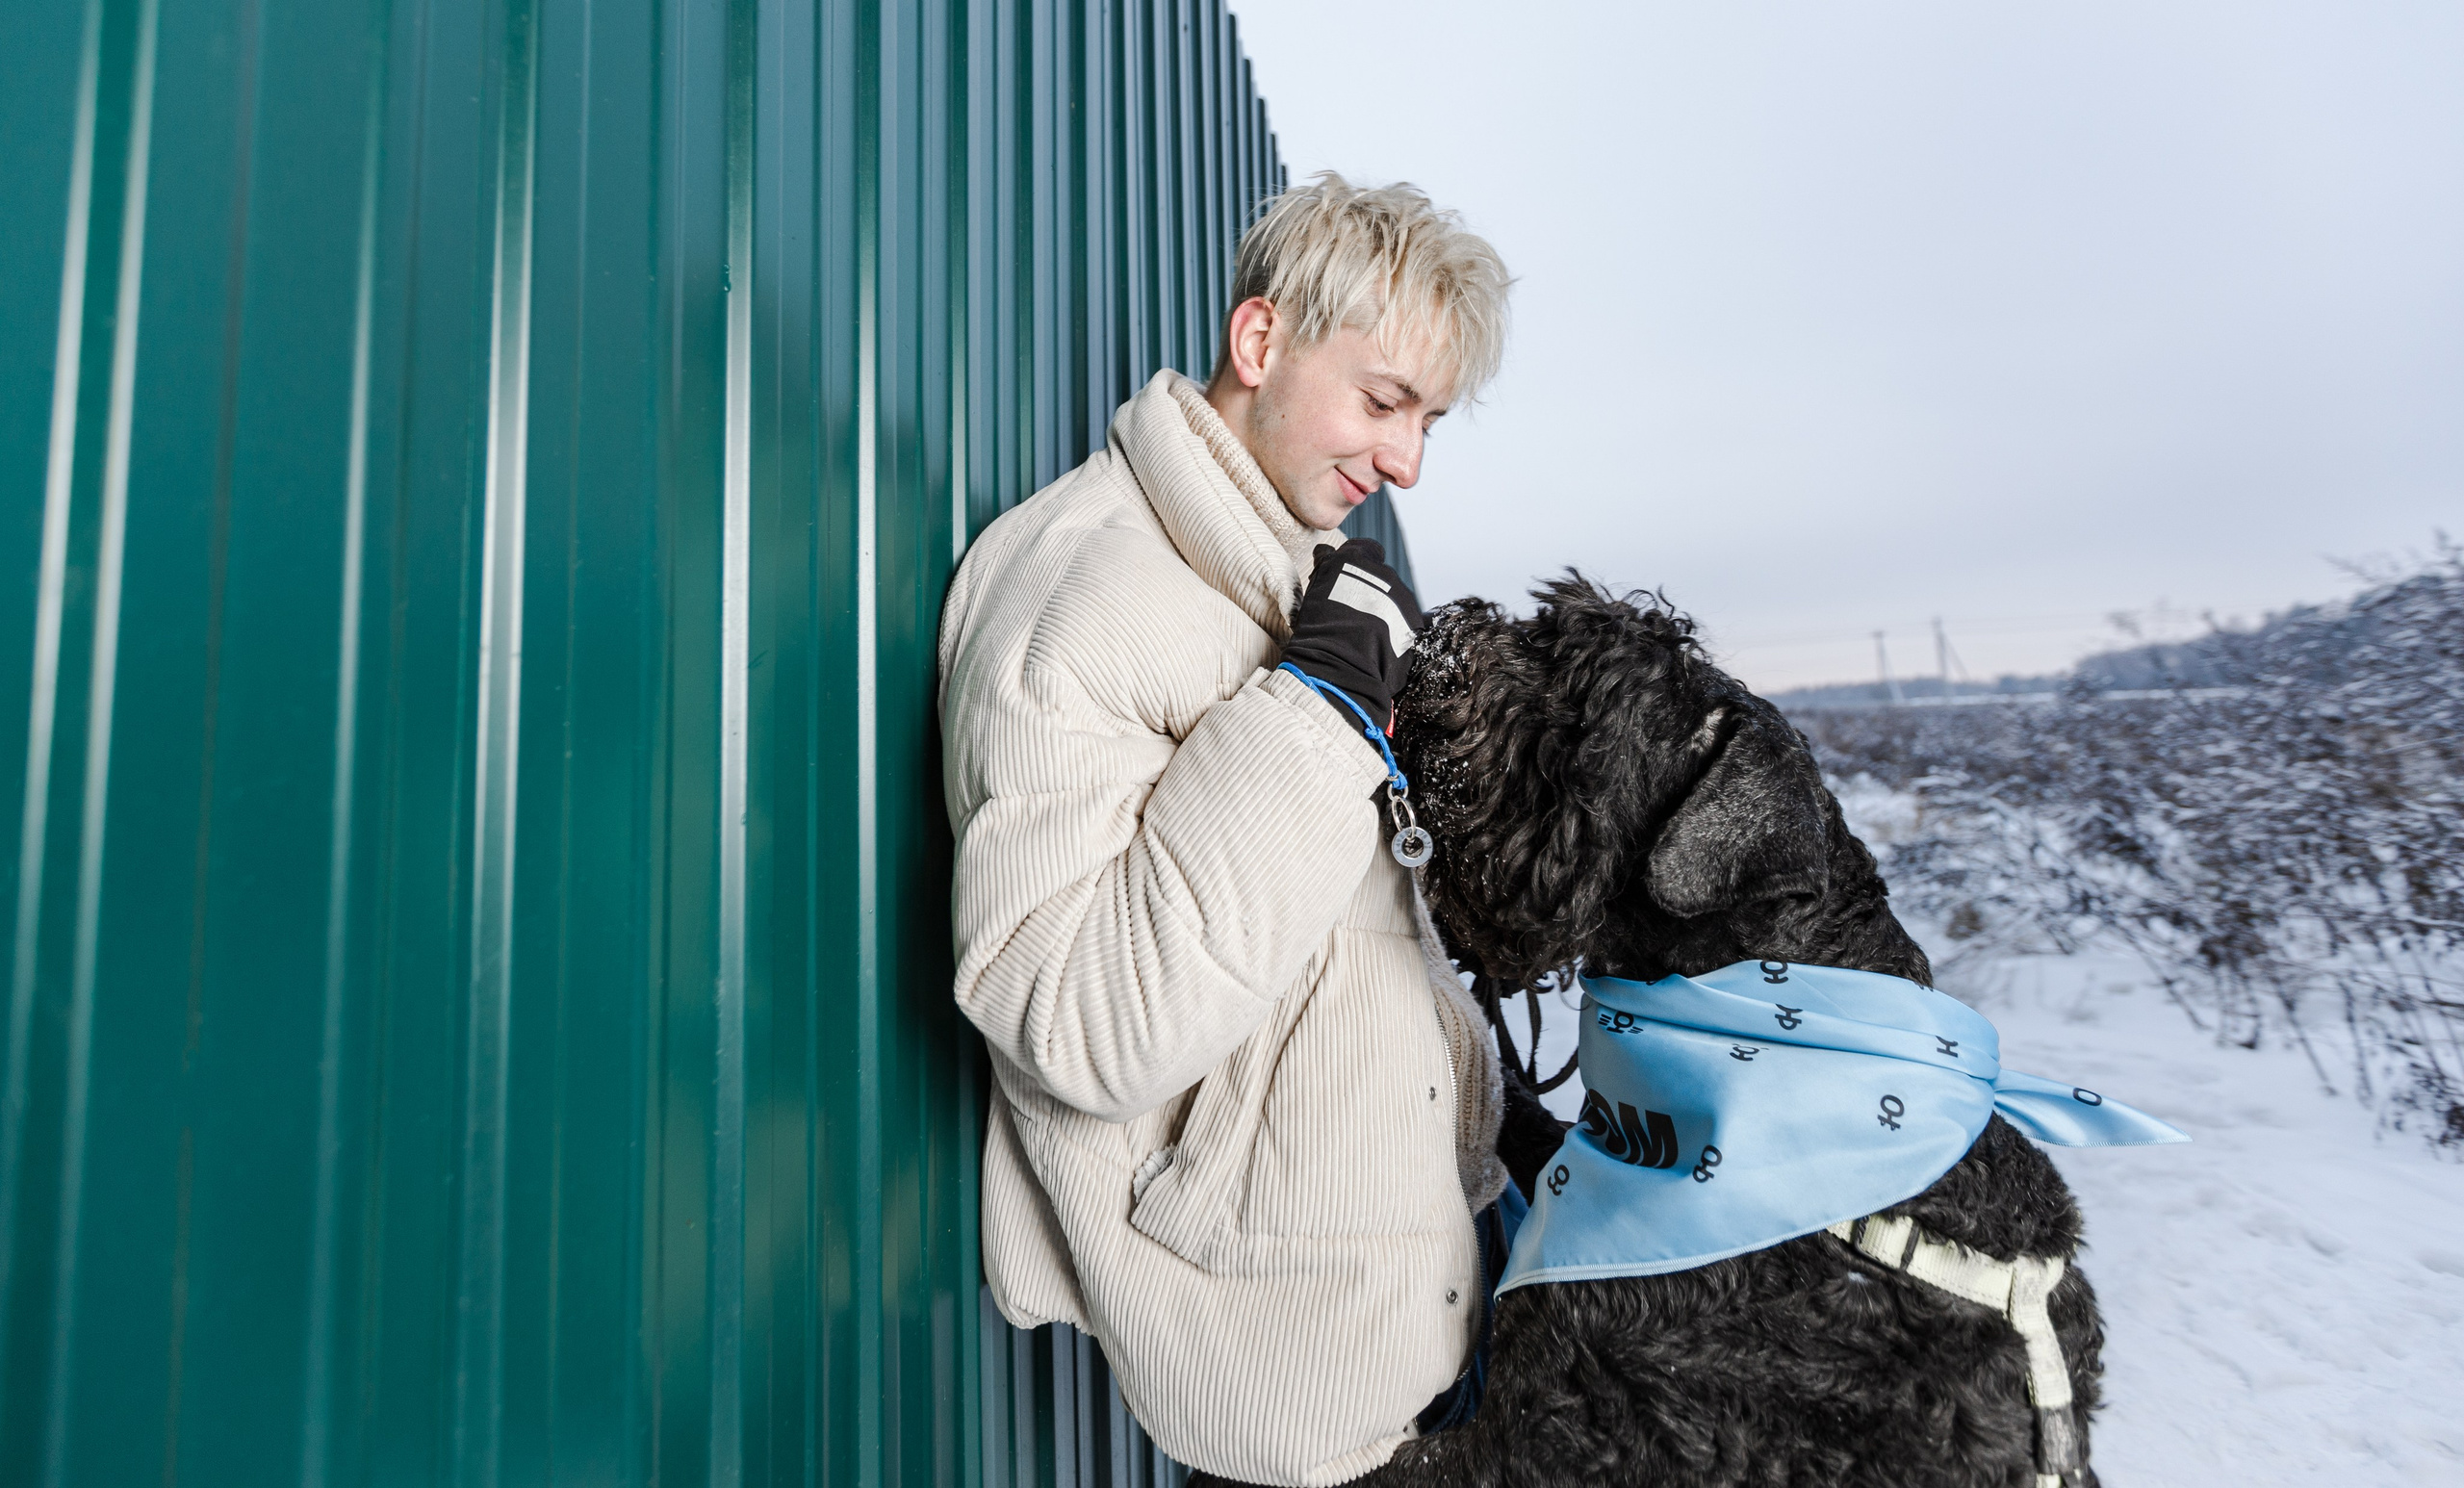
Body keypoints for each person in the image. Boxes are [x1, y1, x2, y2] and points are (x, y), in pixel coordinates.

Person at [937, 174, 1514, 1486]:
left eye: (1429, 422)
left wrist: (1484, 1113)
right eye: (1384, 402)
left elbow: (1331, 951)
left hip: (1418, 1305)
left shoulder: (1284, 580)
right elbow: (1085, 1024)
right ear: (1261, 341)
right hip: (1295, 1374)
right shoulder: (1080, 592)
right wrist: (1318, 708)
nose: (1408, 463)